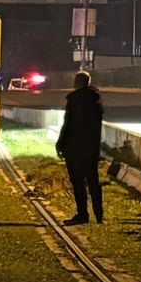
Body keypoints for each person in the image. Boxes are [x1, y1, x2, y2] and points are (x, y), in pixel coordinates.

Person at [56, 70, 105, 224]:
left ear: (78, 82)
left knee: (78, 182)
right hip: (91, 147)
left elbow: (68, 124)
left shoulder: (74, 100)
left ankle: (82, 214)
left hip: (74, 146)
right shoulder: (96, 101)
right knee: (93, 181)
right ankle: (99, 215)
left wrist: (60, 143)